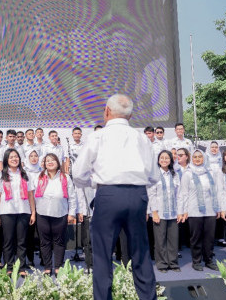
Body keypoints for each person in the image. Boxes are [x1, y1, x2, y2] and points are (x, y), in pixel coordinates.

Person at [72, 94, 158, 300]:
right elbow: (154, 176)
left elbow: (77, 173)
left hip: (108, 195)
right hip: (137, 196)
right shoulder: (141, 138)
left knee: (102, 255)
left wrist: (95, 182)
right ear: (131, 115)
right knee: (141, 253)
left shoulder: (98, 136)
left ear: (107, 111)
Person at [179, 149, 223, 272]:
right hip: (194, 210)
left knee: (209, 237)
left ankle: (208, 260)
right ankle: (196, 261)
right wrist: (183, 211)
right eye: (195, 157)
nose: (197, 159)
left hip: (210, 210)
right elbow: (183, 194)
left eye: (200, 157)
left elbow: (216, 192)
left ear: (204, 158)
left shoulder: (210, 172)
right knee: (196, 237)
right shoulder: (187, 174)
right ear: (191, 159)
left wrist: (218, 208)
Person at [0, 148, 36, 275]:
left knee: (22, 241)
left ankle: (22, 267)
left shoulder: (25, 174)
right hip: (6, 212)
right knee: (8, 241)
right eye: (11, 157)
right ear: (7, 159)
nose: (14, 159)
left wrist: (33, 212)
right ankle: (9, 267)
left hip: (23, 211)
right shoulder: (0, 175)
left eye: (16, 157)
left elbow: (30, 195)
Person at [34, 153, 76, 275]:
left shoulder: (65, 177)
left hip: (60, 213)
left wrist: (71, 213)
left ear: (58, 162)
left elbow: (72, 197)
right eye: (47, 160)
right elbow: (32, 194)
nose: (50, 162)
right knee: (44, 242)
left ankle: (58, 266)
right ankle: (47, 267)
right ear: (44, 164)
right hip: (42, 213)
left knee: (59, 241)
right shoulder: (39, 176)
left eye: (53, 160)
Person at [148, 150, 180, 273]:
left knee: (173, 239)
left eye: (167, 158)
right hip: (159, 213)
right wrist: (154, 212)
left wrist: (180, 211)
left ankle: (173, 263)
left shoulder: (175, 175)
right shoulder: (154, 175)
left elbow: (179, 195)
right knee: (160, 240)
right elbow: (152, 194)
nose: (164, 160)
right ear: (158, 160)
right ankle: (161, 264)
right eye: (162, 158)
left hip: (173, 212)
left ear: (171, 160)